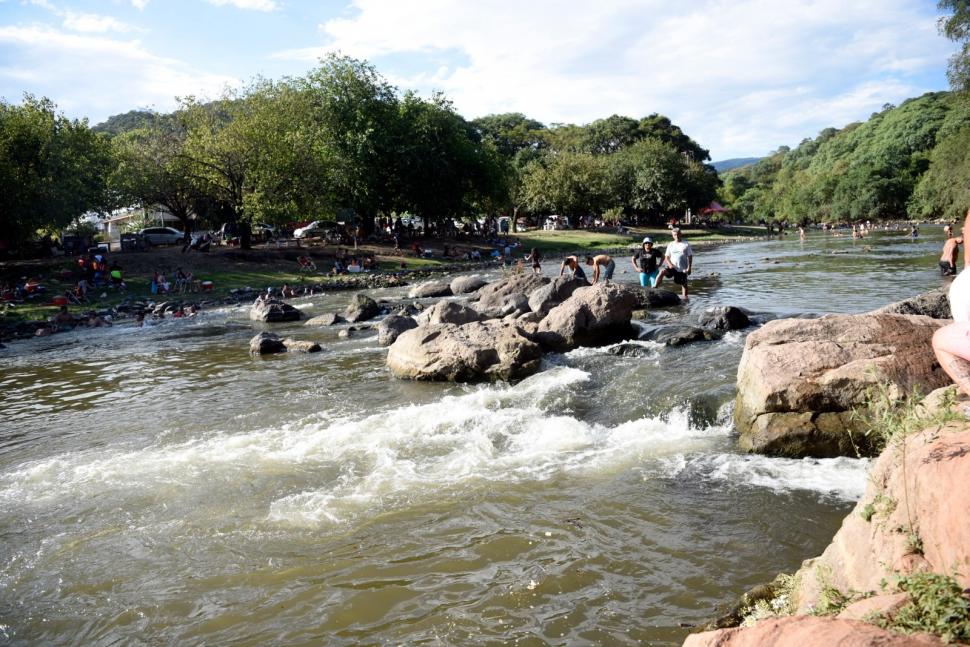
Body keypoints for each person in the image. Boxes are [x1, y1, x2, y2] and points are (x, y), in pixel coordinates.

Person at [933, 208, 970, 399]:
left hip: (943, 263)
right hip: (950, 264)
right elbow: (961, 259)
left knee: (941, 339)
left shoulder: (949, 242)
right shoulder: (954, 242)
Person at [655, 228, 694, 300]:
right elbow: (666, 257)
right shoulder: (670, 244)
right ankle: (654, 288)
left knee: (684, 284)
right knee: (662, 271)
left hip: (682, 269)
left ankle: (685, 298)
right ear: (673, 236)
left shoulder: (686, 244)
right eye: (675, 235)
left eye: (678, 234)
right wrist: (670, 264)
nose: (677, 236)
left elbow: (690, 256)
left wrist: (689, 268)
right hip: (672, 267)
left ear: (681, 234)